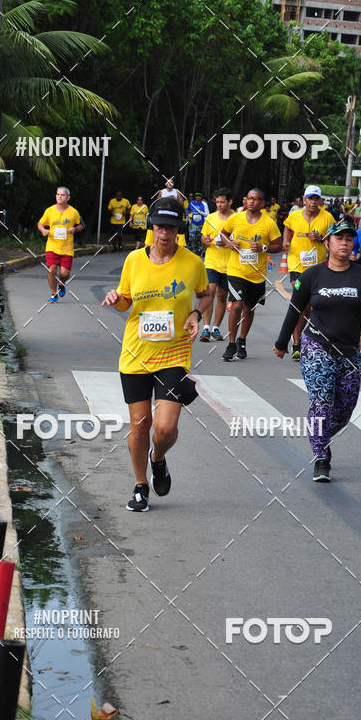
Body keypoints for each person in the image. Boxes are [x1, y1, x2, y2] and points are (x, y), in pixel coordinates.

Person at [101, 197, 210, 512]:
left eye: (171, 228)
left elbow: (205, 295)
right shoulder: (134, 260)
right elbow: (126, 301)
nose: (165, 233)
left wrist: (197, 314)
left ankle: (158, 458)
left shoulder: (192, 263)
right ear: (152, 226)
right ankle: (140, 485)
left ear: (179, 230)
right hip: (136, 353)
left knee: (164, 428)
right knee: (140, 424)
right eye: (160, 226)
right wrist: (116, 299)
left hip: (174, 355)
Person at [273, 219, 361, 483]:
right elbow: (295, 310)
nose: (344, 243)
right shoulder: (312, 275)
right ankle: (321, 456)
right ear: (327, 243)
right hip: (317, 346)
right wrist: (282, 342)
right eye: (339, 238)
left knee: (344, 410)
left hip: (349, 351)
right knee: (321, 402)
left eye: (349, 239)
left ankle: (320, 436)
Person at [219, 188, 281, 361]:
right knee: (236, 305)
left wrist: (263, 247)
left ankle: (242, 340)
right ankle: (231, 343)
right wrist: (229, 243)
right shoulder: (236, 218)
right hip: (236, 270)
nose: (252, 201)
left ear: (262, 203)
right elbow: (223, 234)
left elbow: (278, 245)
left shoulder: (269, 223)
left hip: (257, 274)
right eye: (249, 198)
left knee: (249, 308)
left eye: (256, 199)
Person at [282, 185, 335, 360]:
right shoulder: (294, 215)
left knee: (309, 308)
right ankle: (297, 344)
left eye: (316, 198)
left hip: (318, 268)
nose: (313, 201)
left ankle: (300, 336)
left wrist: (321, 238)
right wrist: (286, 242)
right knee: (300, 303)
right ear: (304, 200)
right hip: (296, 268)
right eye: (310, 198)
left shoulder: (327, 217)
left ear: (320, 201)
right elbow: (287, 228)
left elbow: (334, 237)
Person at [38, 187, 84, 303]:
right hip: (52, 246)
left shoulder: (73, 212)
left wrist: (75, 229)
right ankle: (54, 293)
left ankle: (62, 283)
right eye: (58, 194)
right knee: (52, 270)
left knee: (64, 273)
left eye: (62, 195)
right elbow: (40, 223)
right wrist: (43, 230)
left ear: (68, 197)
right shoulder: (49, 211)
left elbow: (82, 225)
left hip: (67, 248)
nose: (59, 197)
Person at [200, 187, 233, 342]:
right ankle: (206, 328)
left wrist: (229, 243)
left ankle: (216, 328)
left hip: (229, 264)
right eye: (217, 202)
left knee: (222, 296)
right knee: (210, 292)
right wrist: (206, 240)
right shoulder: (210, 218)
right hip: (211, 262)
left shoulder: (237, 218)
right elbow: (203, 237)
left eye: (222, 202)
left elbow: (241, 240)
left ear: (230, 202)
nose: (219, 205)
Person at [186, 190, 209, 255]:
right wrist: (188, 214)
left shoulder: (204, 204)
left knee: (199, 238)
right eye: (196, 196)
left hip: (201, 224)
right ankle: (192, 251)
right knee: (192, 238)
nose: (198, 197)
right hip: (192, 224)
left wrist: (201, 212)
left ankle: (198, 251)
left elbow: (208, 214)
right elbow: (188, 210)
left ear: (201, 197)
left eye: (199, 196)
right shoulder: (191, 203)